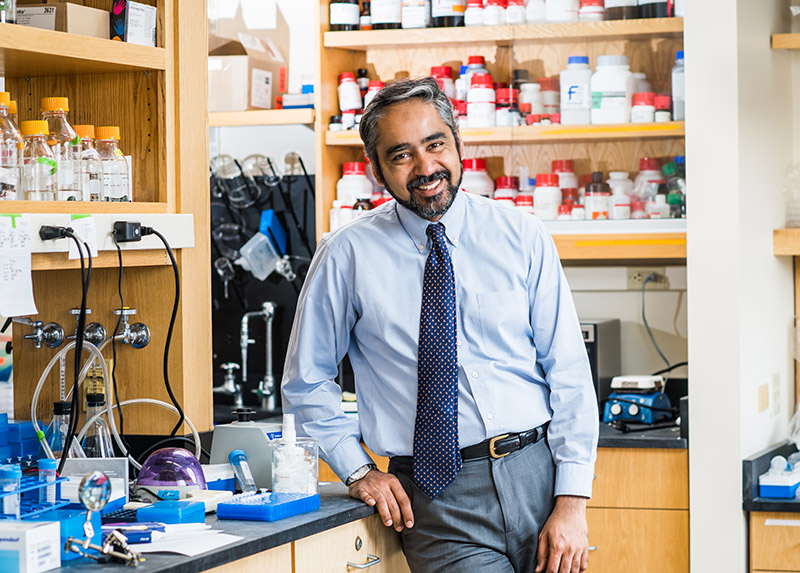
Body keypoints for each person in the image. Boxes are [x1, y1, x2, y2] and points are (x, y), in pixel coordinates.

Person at [282, 76, 598, 573]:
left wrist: (572, 503)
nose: (426, 168)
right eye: (402, 155)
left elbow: (569, 373)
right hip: (437, 497)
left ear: (458, 144)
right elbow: (306, 382)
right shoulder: (347, 255)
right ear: (377, 170)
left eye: (435, 145)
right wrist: (357, 469)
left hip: (538, 475)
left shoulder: (520, 235)